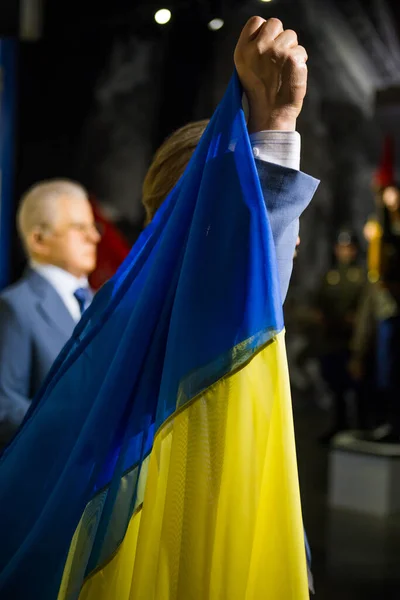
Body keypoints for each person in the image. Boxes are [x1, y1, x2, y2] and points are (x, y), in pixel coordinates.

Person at [0, 18, 318, 599]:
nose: (293, 233)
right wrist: (274, 132)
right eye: (268, 215)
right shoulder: (157, 313)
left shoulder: (112, 310)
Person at [0, 179, 100, 447]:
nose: (95, 237)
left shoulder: (102, 302)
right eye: (80, 228)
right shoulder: (15, 307)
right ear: (39, 240)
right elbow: (4, 406)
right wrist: (76, 421)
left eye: (93, 227)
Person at [313, 230, 366, 439]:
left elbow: (364, 306)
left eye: (347, 248)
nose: (343, 252)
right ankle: (339, 424)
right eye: (340, 248)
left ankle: (360, 426)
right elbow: (321, 303)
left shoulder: (360, 276)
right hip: (332, 339)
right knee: (336, 386)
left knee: (357, 386)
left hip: (351, 340)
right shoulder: (330, 276)